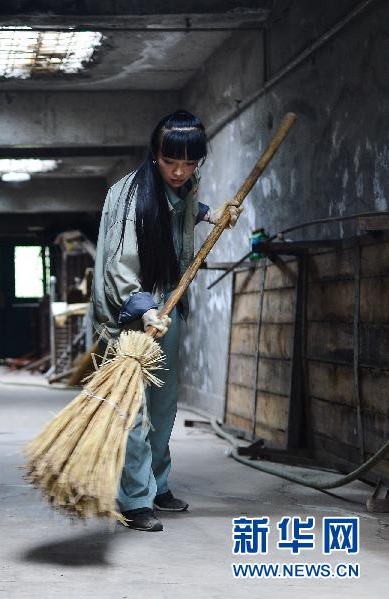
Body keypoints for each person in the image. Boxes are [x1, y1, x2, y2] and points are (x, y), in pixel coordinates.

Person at [90, 110, 241, 532]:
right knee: (132, 410)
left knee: (163, 403)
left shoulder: (184, 185)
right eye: (170, 161)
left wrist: (211, 214)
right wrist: (143, 308)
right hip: (129, 311)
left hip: (167, 306)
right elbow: (120, 265)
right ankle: (134, 500)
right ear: (154, 155)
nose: (179, 171)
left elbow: (180, 211)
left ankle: (156, 486)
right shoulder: (128, 196)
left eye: (190, 163)